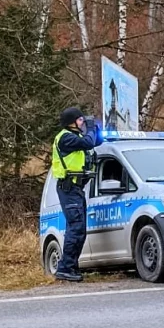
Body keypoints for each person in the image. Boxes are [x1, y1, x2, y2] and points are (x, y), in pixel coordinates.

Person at [51, 107, 98, 282]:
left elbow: (93, 142)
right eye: (80, 120)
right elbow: (88, 142)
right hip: (68, 188)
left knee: (80, 230)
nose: (82, 123)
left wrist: (95, 131)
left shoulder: (75, 138)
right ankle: (65, 268)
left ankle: (72, 266)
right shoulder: (65, 137)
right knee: (76, 227)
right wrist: (91, 129)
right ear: (71, 122)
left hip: (76, 188)